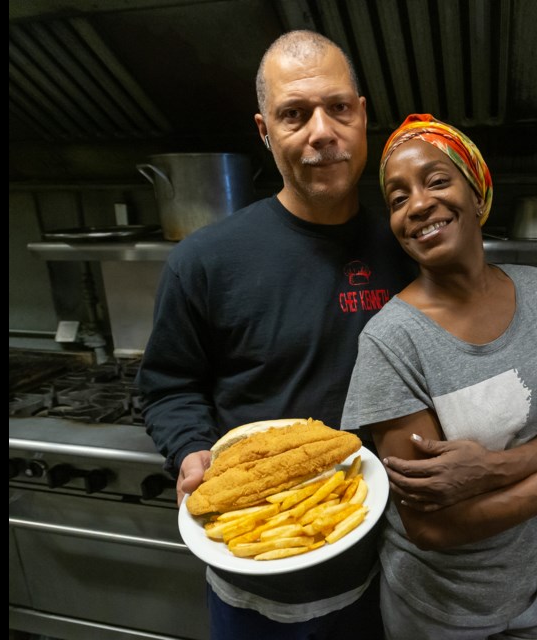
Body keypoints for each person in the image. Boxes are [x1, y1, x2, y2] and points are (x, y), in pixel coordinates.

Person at [136, 31, 416, 639]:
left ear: (363, 116)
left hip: (396, 566)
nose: (322, 131)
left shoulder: (409, 250)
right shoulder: (207, 260)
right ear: (265, 130)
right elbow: (167, 387)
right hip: (257, 583)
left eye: (339, 107)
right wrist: (190, 451)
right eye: (295, 114)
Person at [341, 114, 537, 639]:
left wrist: (492, 470)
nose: (418, 204)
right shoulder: (390, 342)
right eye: (398, 198)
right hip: (442, 609)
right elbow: (430, 526)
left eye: (436, 180)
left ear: (477, 194)